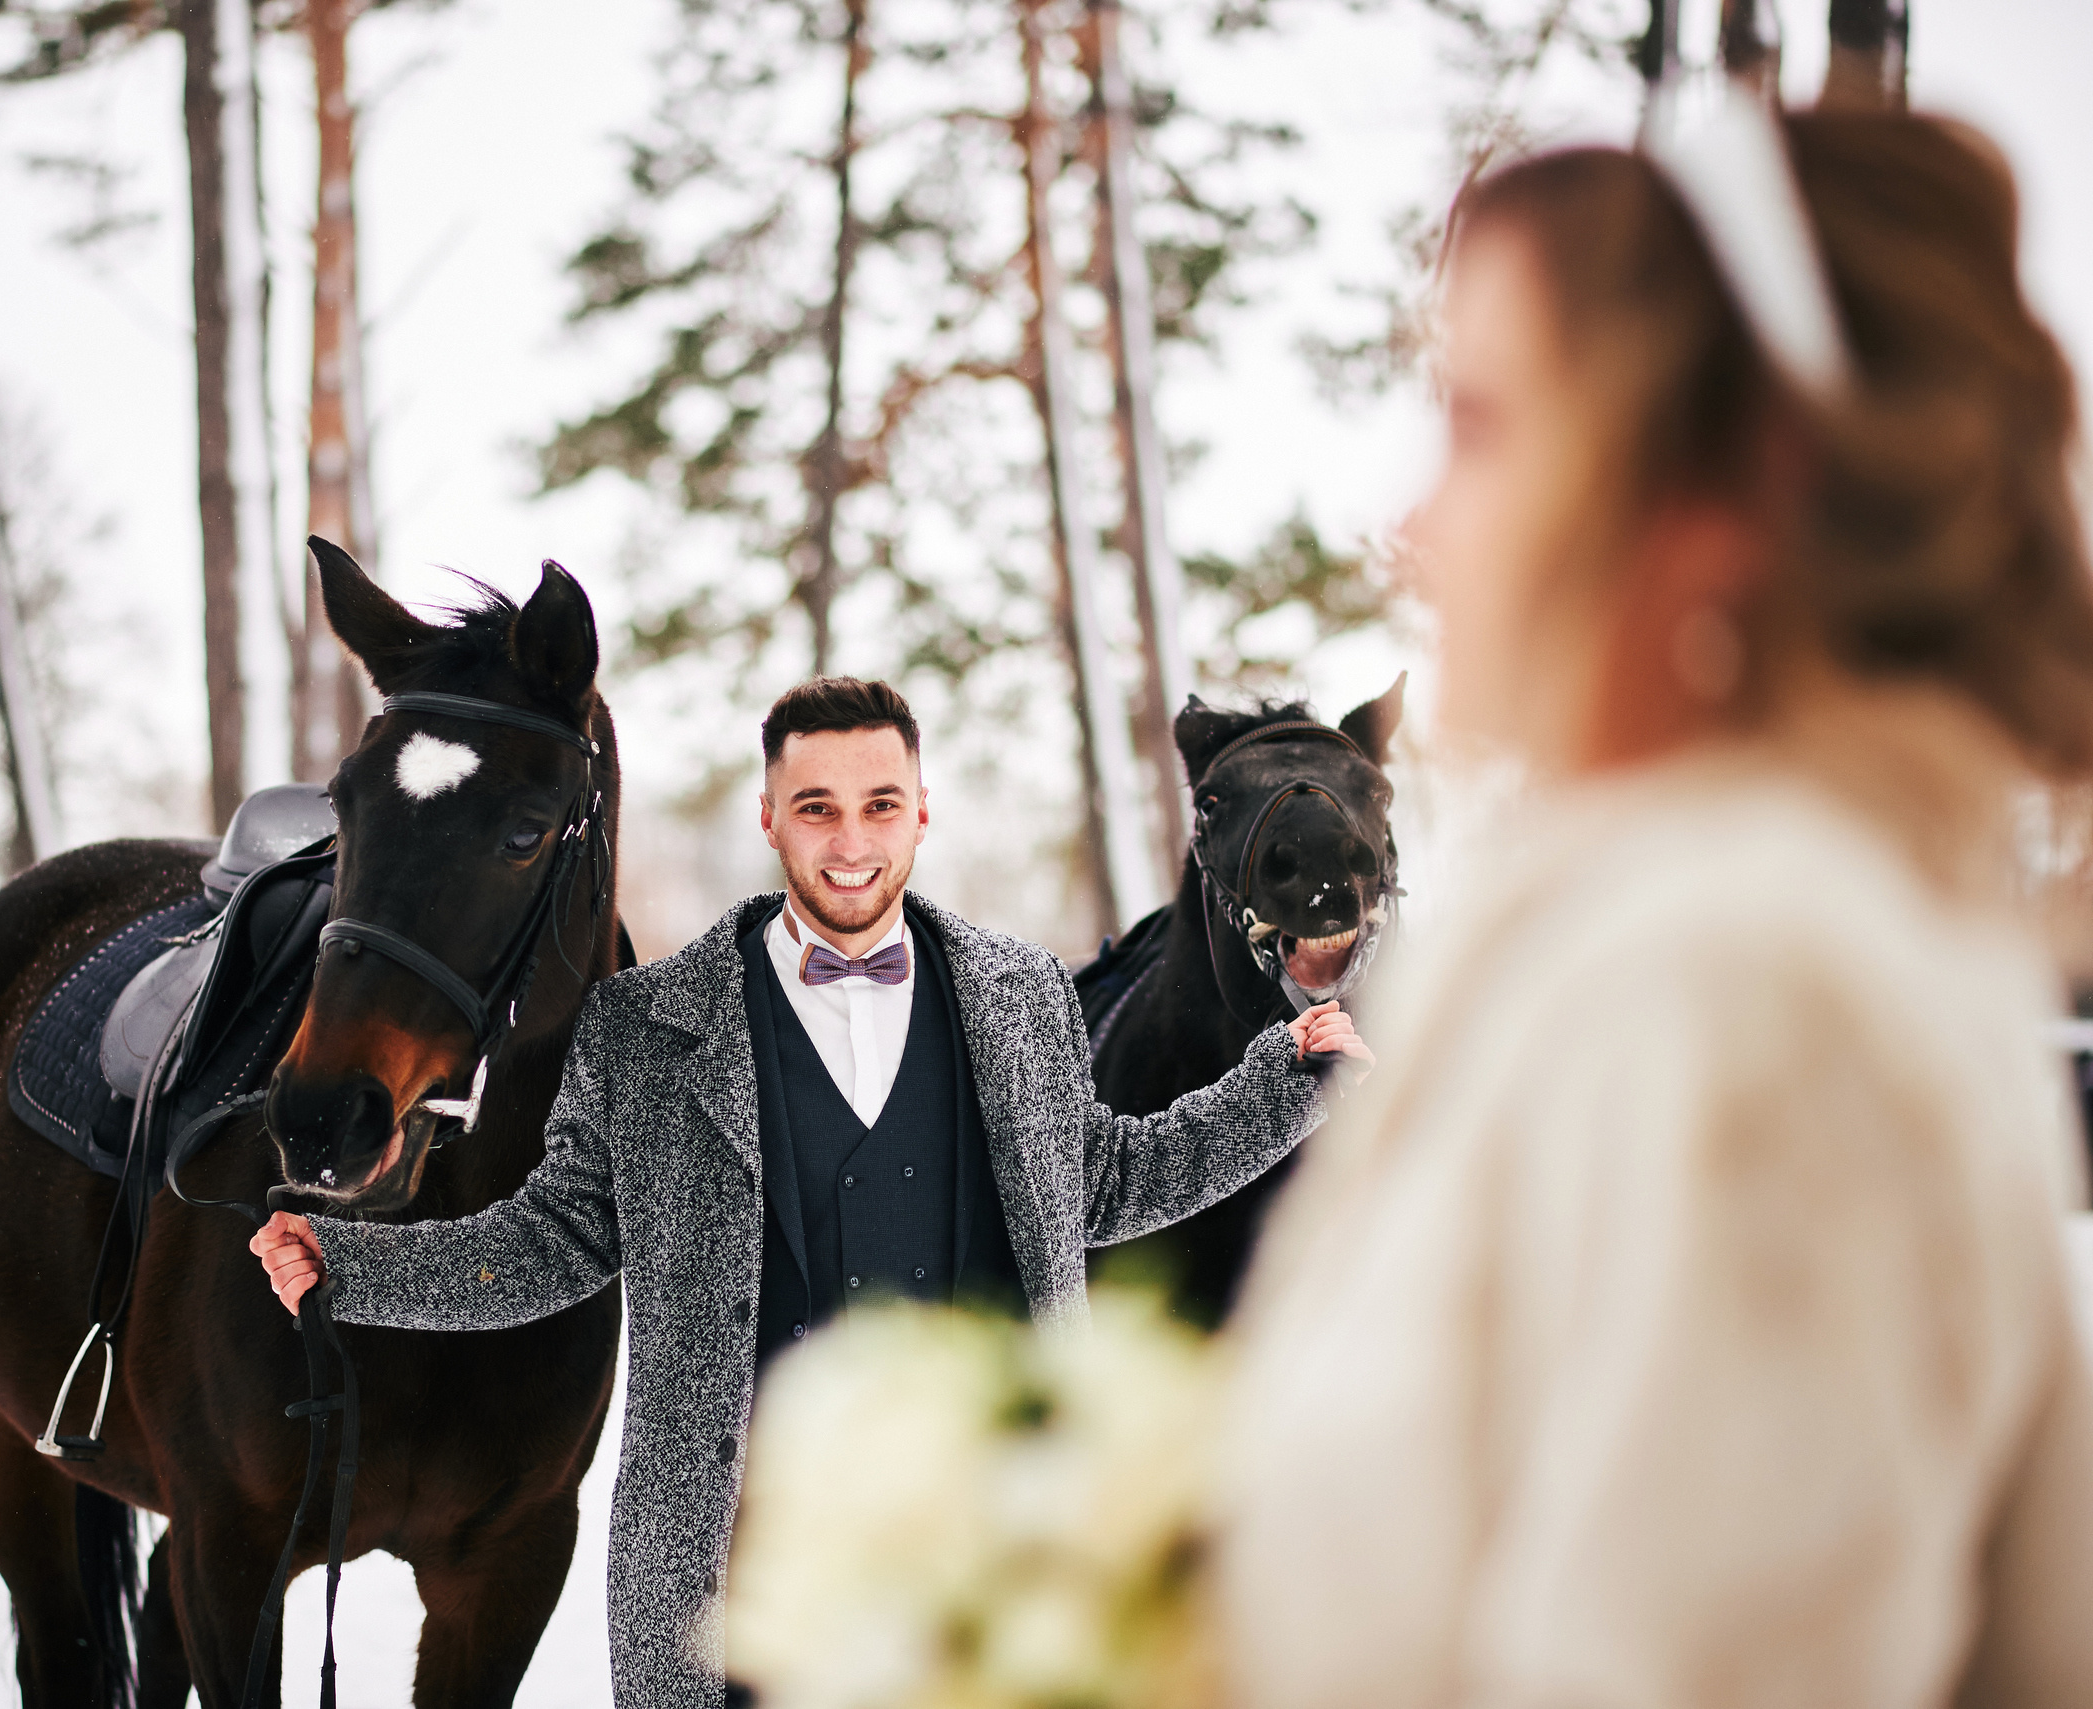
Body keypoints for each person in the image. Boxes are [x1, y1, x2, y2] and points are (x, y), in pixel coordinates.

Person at [1216, 102, 2093, 1708]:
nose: (1413, 525)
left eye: (1481, 424)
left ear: (1721, 490)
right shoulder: (1687, 931)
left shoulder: (1756, 994)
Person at [252, 677, 1366, 1709]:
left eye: (879, 803)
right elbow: (555, 1238)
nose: (849, 839)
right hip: (737, 1599)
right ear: (770, 817)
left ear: (921, 814)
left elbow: (1108, 1177)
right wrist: (351, 1264)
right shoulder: (645, 1029)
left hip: (988, 1582)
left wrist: (1286, 1079)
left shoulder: (1022, 994)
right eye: (816, 806)